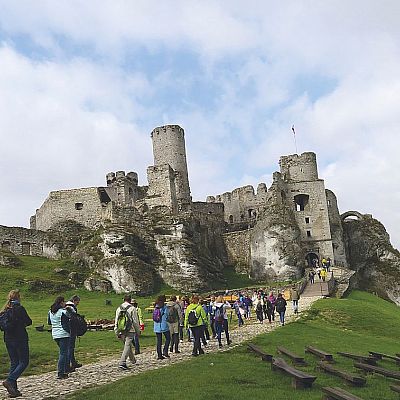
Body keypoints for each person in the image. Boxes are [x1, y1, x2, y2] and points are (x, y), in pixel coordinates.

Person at [1, 290, 32, 398]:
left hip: (8, 339)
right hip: (20, 338)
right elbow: (29, 321)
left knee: (14, 362)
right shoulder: (19, 308)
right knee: (24, 361)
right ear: (18, 297)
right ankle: (10, 380)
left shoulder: (5, 310)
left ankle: (13, 390)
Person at [114, 294, 140, 370]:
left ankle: (133, 360)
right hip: (130, 329)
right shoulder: (132, 308)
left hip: (121, 329)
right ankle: (122, 362)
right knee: (127, 345)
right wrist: (138, 331)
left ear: (123, 300)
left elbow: (116, 320)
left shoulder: (119, 308)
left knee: (127, 345)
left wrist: (116, 331)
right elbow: (135, 321)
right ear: (130, 300)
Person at [48, 296, 70, 379]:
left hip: (55, 334)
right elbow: (70, 317)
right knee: (63, 353)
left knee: (63, 352)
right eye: (64, 302)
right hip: (63, 333)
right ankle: (61, 371)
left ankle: (64, 369)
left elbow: (49, 322)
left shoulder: (50, 312)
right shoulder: (63, 312)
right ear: (61, 303)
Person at [65, 295, 82, 371]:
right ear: (74, 301)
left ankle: (73, 361)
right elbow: (74, 319)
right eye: (77, 301)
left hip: (67, 329)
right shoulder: (71, 308)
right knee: (70, 347)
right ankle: (70, 363)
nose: (78, 303)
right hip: (71, 330)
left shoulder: (65, 306)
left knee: (70, 347)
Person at [153, 295, 171, 360]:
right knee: (168, 338)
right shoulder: (164, 307)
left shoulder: (156, 307)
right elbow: (167, 315)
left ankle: (159, 355)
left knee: (159, 341)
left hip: (157, 326)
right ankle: (165, 351)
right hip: (164, 325)